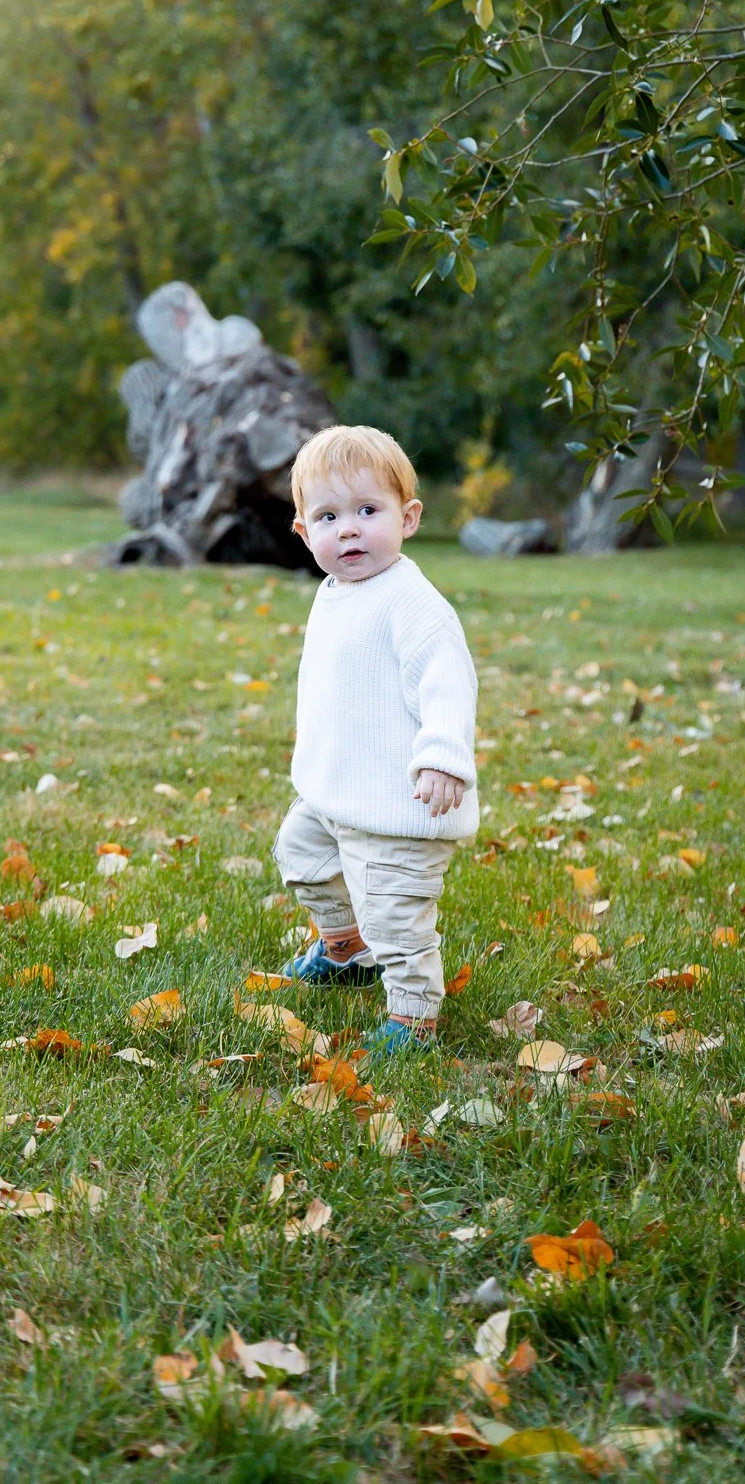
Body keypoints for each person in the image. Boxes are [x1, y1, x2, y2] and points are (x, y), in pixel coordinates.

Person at [272, 424, 478, 1059]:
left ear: (408, 518)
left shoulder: (414, 604)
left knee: (395, 914)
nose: (349, 530)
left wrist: (443, 758)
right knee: (302, 856)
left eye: (368, 511)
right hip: (336, 793)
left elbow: (448, 684)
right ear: (304, 532)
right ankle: (345, 949)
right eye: (329, 517)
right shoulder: (336, 592)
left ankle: (413, 1016)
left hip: (399, 805)